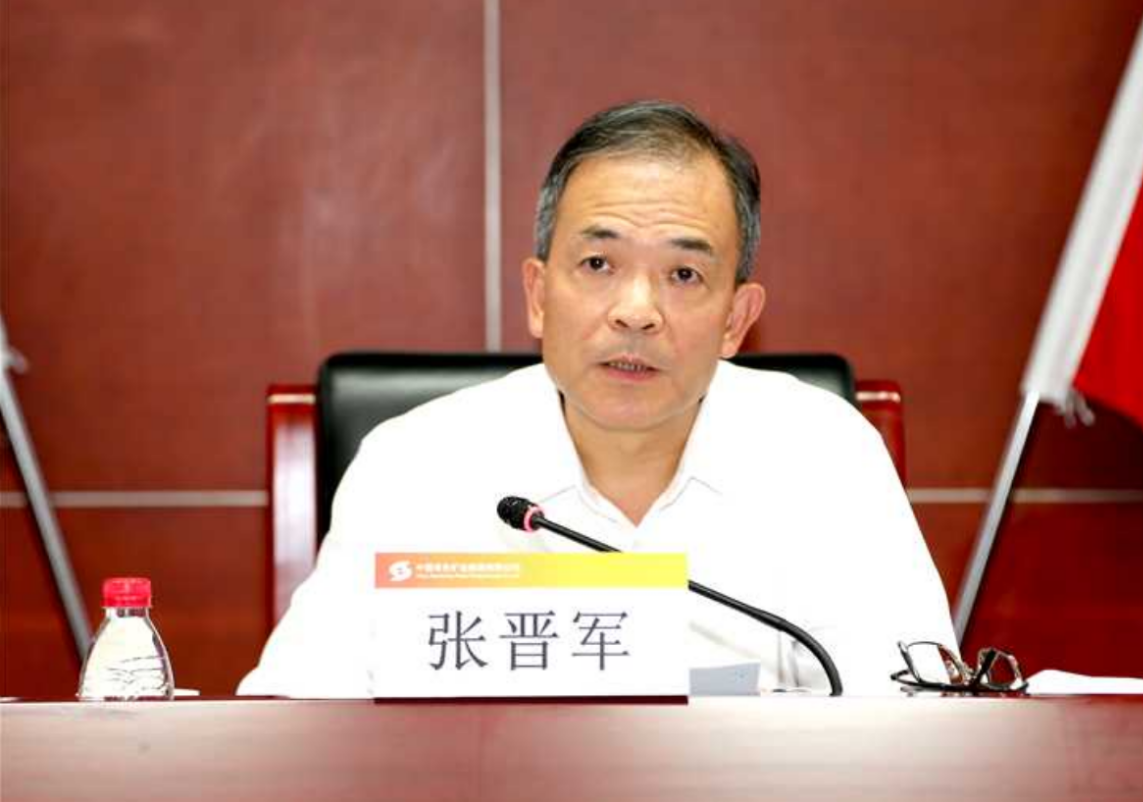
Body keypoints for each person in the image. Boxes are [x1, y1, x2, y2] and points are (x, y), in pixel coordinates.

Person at [239, 100, 957, 697]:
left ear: (736, 320)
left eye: (683, 274)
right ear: (538, 295)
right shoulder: (416, 463)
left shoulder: (825, 454)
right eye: (598, 263)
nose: (636, 311)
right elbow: (298, 723)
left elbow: (910, 725)